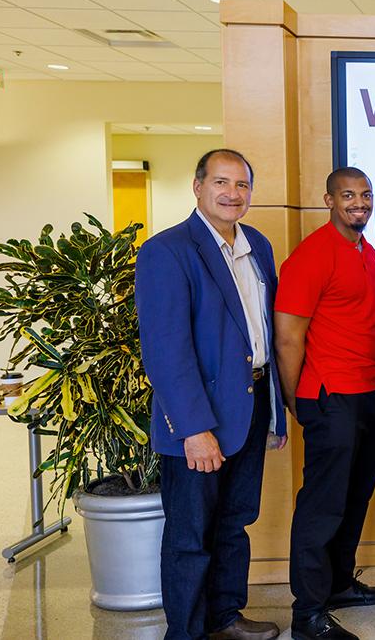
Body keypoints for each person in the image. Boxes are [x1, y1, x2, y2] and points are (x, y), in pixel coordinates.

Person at [136, 149, 286, 640]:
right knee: (189, 535)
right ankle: (186, 632)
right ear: (197, 186)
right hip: (200, 418)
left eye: (242, 185)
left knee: (235, 522)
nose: (232, 194)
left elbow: (264, 333)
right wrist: (195, 429)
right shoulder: (168, 250)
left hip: (251, 404)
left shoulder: (258, 246)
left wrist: (276, 414)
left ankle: (225, 616)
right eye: (221, 182)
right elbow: (166, 351)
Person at [275, 168, 375, 640]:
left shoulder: (369, 254)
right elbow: (288, 338)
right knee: (322, 506)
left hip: (370, 393)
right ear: (329, 199)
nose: (359, 203)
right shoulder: (311, 256)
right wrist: (297, 401)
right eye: (348, 195)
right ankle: (307, 612)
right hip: (330, 397)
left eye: (365, 195)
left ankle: (339, 585)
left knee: (354, 498)